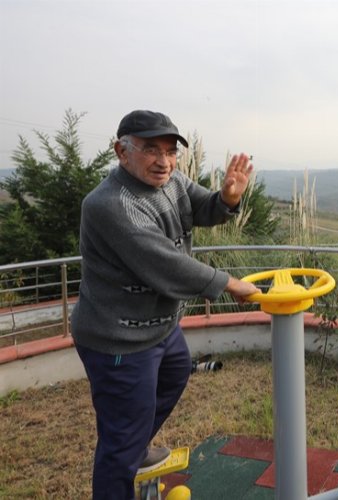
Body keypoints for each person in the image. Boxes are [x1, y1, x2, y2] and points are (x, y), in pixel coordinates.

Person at [71, 110, 260, 499]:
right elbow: (166, 264)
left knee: (175, 372)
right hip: (118, 338)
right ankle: (126, 453)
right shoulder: (110, 204)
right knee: (118, 448)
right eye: (151, 150)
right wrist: (229, 283)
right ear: (121, 152)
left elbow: (202, 207)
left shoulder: (171, 181)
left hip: (159, 327)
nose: (164, 161)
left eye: (171, 151)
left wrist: (227, 198)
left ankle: (134, 442)